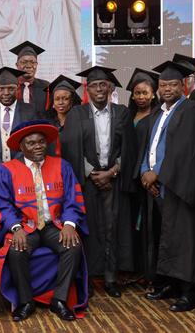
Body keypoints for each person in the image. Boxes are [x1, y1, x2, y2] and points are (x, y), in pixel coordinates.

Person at [0, 120, 88, 321]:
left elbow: (73, 199)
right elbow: (1, 204)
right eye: (31, 143)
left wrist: (70, 225)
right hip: (25, 225)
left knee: (73, 246)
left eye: (41, 142)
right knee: (17, 250)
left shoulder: (62, 166)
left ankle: (59, 300)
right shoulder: (7, 170)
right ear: (21, 147)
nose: (37, 146)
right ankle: (26, 302)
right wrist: (15, 228)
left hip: (55, 223)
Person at [61, 66, 136, 298]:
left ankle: (111, 277)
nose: (99, 89)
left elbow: (130, 148)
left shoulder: (122, 113)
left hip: (114, 178)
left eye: (103, 84)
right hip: (88, 180)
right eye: (94, 85)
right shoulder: (76, 114)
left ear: (110, 87)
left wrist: (112, 171)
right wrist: (93, 172)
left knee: (113, 227)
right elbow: (71, 149)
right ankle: (91, 277)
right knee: (90, 227)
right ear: (87, 89)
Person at [138, 61, 195, 312]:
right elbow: (149, 146)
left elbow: (184, 151)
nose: (167, 89)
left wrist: (159, 175)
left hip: (178, 186)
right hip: (157, 185)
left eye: (172, 84)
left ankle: (189, 290)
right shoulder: (157, 112)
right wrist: (145, 171)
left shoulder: (191, 110)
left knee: (184, 239)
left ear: (184, 86)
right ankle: (170, 283)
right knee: (165, 237)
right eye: (163, 85)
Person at [125, 68, 160, 280]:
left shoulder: (157, 117)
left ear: (153, 94)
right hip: (130, 179)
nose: (141, 97)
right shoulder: (127, 115)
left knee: (149, 226)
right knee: (132, 226)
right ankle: (135, 269)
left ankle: (150, 273)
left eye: (145, 93)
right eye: (137, 93)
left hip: (147, 177)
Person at [11, 42, 50, 115]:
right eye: (24, 62)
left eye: (33, 62)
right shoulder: (9, 86)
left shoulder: (46, 87)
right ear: (17, 65)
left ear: (37, 65)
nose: (29, 65)